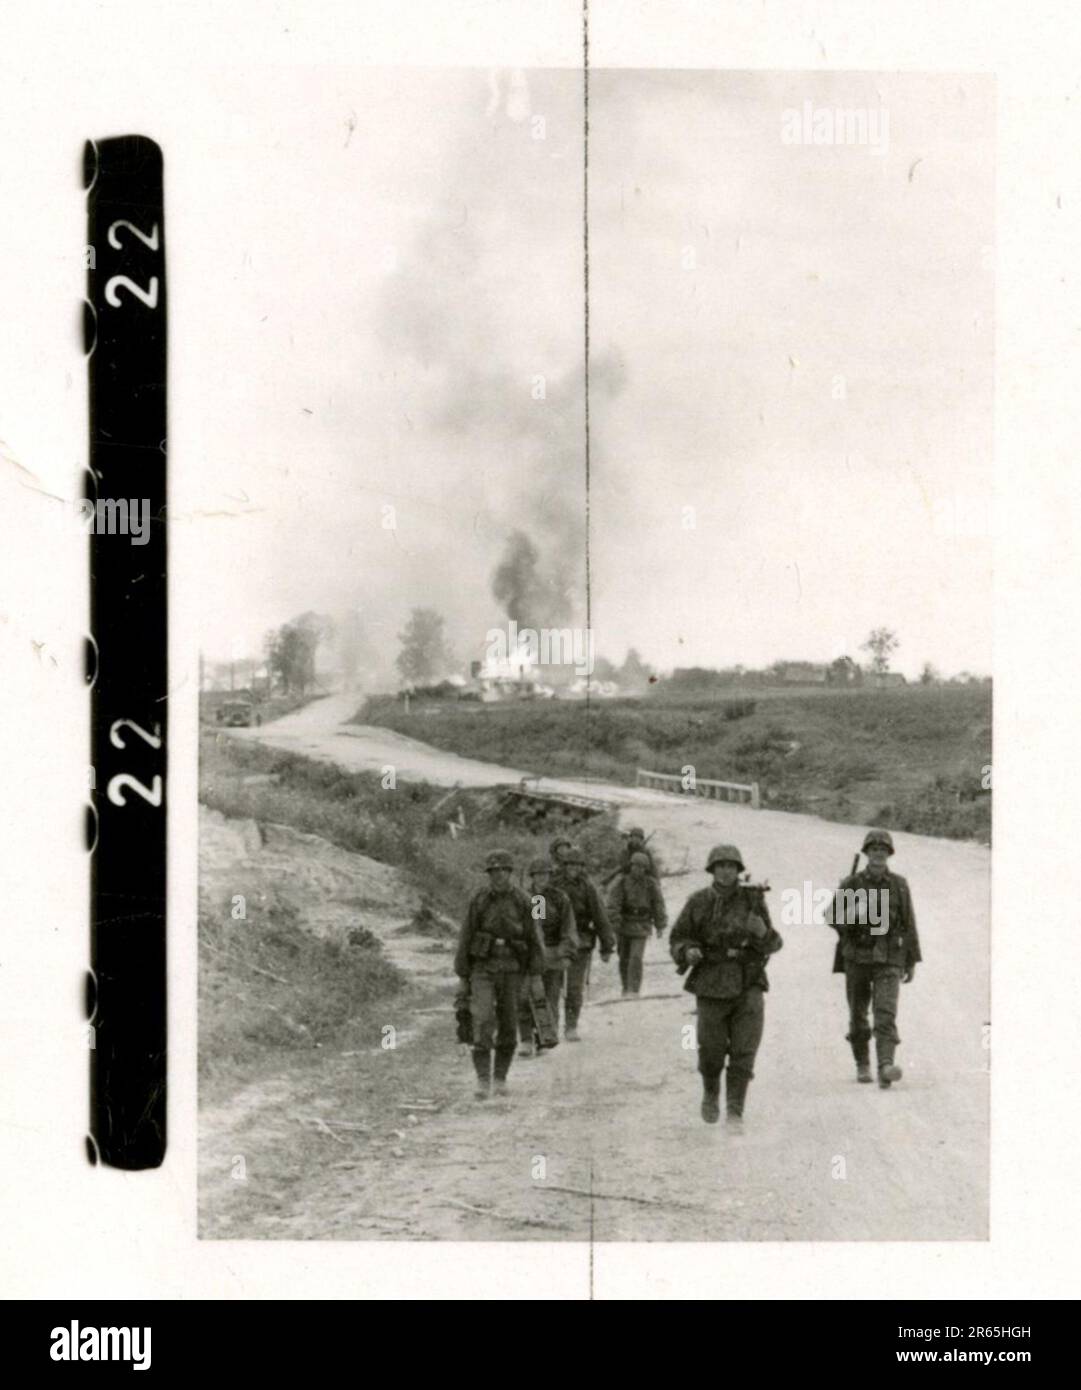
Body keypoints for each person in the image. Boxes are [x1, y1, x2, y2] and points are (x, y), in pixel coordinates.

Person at [670, 844, 783, 1129]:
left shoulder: (753, 901)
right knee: (711, 1050)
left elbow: (774, 944)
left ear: (738, 871)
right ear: (712, 870)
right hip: (711, 983)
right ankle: (711, 1091)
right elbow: (679, 937)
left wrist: (762, 932)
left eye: (731, 866)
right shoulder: (698, 901)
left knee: (745, 1049)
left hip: (749, 980)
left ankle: (735, 1110)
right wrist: (688, 951)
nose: (726, 871)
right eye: (720, 866)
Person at [827, 829, 921, 1089]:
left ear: (889, 854)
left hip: (890, 956)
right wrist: (855, 912)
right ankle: (862, 1063)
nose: (878, 853)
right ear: (866, 853)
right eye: (874, 849)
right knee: (858, 1014)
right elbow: (832, 917)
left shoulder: (899, 884)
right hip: (857, 956)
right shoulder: (851, 883)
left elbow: (908, 923)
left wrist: (911, 960)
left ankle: (885, 1065)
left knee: (886, 1013)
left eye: (883, 849)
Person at [454, 849, 545, 1099]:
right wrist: (463, 975)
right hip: (483, 967)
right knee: (482, 1020)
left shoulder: (527, 901)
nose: (498, 876)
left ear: (510, 873)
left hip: (513, 969)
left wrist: (536, 973)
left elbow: (535, 936)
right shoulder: (479, 899)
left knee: (508, 1024)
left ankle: (500, 1078)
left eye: (503, 871)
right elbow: (466, 936)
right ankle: (483, 1080)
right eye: (493, 872)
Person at [550, 844, 615, 1040]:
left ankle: (571, 1026)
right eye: (570, 865)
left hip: (581, 942)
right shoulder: (551, 886)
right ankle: (551, 1027)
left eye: (577, 865)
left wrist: (607, 946)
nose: (573, 869)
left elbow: (600, 917)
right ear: (564, 865)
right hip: (555, 942)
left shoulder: (588, 888)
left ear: (582, 867)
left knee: (574, 988)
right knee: (552, 987)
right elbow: (538, 913)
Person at [517, 857, 578, 1057]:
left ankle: (544, 1039)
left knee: (549, 998)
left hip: (553, 953)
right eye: (538, 875)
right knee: (526, 997)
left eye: (545, 874)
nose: (542, 878)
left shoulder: (559, 897)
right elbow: (535, 929)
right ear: (532, 877)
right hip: (531, 953)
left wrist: (565, 951)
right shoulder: (529, 897)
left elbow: (568, 928)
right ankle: (526, 1039)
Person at [607, 851, 667, 996]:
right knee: (624, 958)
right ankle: (625, 987)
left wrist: (660, 924)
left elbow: (658, 904)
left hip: (642, 925)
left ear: (646, 869)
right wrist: (615, 921)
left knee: (636, 957)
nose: (638, 870)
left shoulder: (650, 884)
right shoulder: (621, 881)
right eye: (636, 866)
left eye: (642, 867)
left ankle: (633, 989)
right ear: (631, 866)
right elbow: (613, 903)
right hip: (624, 924)